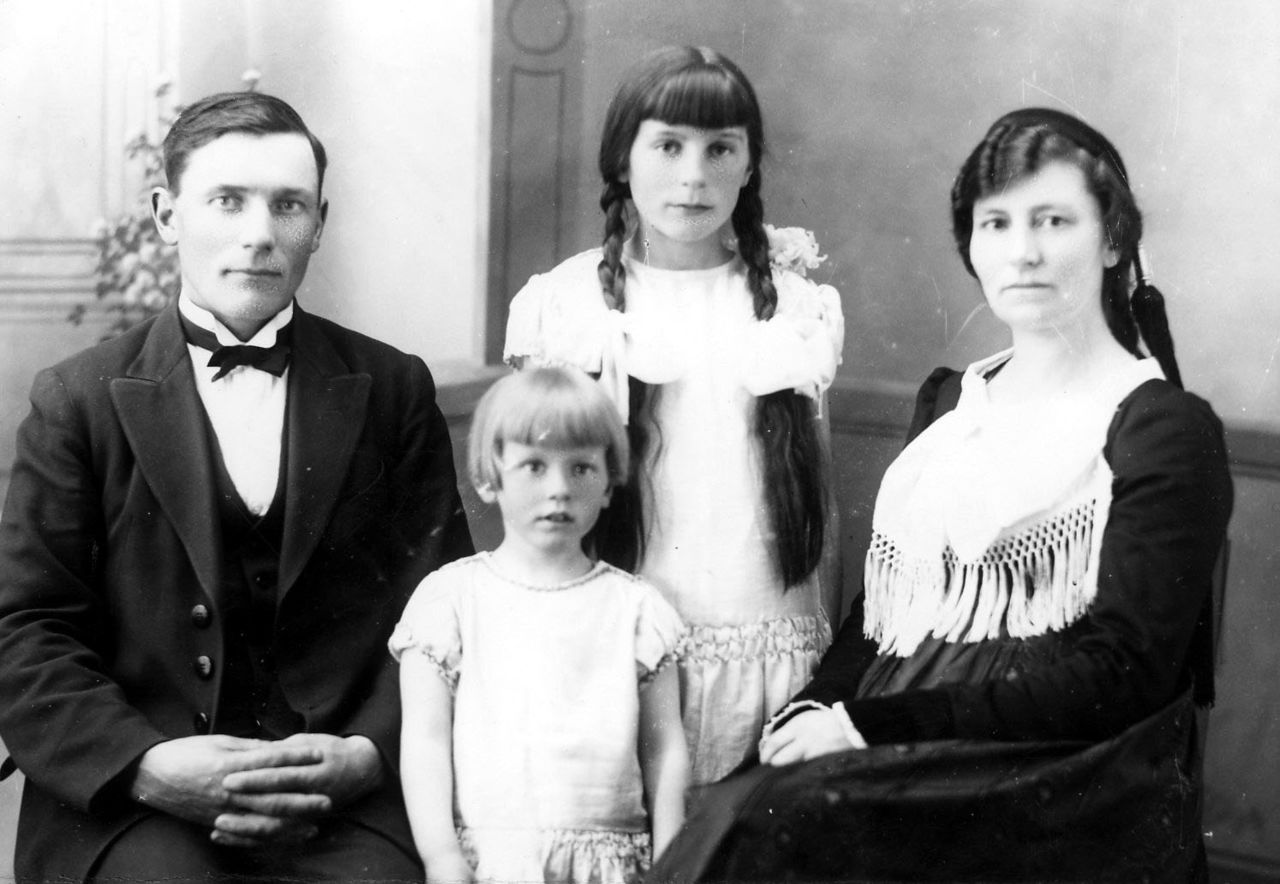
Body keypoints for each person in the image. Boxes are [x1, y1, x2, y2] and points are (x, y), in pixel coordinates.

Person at [652, 109, 1234, 882]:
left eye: (1054, 220)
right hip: (898, 733)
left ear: (1114, 240)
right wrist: (817, 707)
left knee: (777, 829)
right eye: (996, 223)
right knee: (736, 810)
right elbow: (882, 616)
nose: (1022, 251)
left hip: (1049, 769)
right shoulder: (953, 401)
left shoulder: (1158, 426)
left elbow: (1122, 675)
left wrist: (869, 726)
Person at [0, 91, 473, 882]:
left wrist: (369, 751)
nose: (259, 234)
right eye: (227, 200)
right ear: (167, 215)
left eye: (288, 205)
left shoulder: (392, 389)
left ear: (319, 223)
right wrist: (146, 764)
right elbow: (26, 627)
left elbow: (446, 609)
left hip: (344, 795)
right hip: (138, 797)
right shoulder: (77, 399)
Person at [503, 46, 845, 786]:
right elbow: (534, 509)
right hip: (613, 651)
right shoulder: (567, 305)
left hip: (769, 643)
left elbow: (820, 502)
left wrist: (827, 678)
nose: (693, 176)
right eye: (668, 146)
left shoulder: (793, 307)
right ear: (622, 160)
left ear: (749, 166)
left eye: (720, 149)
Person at [391, 366, 688, 884]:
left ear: (609, 483)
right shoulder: (451, 601)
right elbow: (425, 742)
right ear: (490, 478)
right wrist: (440, 856)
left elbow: (665, 752)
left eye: (581, 468)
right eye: (533, 465)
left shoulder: (638, 610)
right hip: (491, 862)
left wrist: (671, 864)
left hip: (609, 867)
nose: (559, 489)